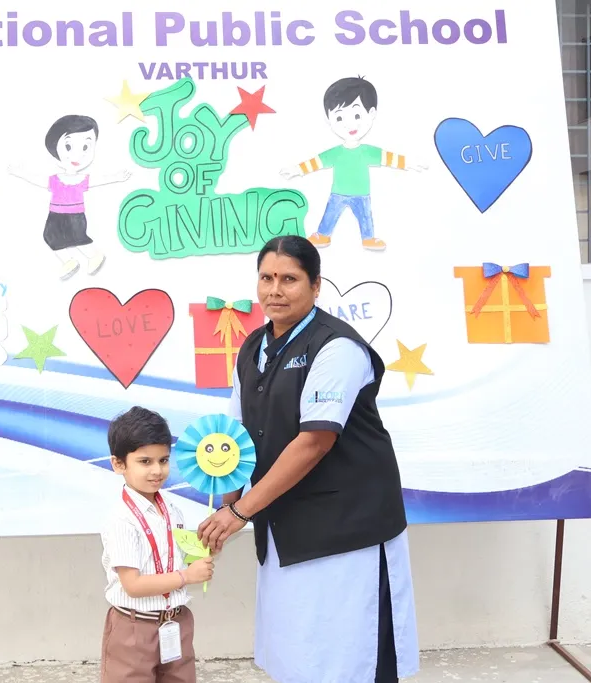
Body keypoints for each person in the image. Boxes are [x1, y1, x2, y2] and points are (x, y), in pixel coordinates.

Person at [196, 235, 419, 683]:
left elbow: (315, 441)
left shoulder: (338, 347)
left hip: (346, 527)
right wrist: (226, 505)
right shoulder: (252, 348)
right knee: (297, 651)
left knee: (348, 654)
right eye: (266, 278)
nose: (275, 290)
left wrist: (239, 512)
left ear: (316, 286)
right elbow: (235, 437)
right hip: (284, 520)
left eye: (289, 279)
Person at [99, 406, 215, 683]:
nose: (157, 470)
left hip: (176, 621)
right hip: (134, 628)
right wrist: (187, 576)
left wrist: (202, 553)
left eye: (163, 460)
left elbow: (172, 559)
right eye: (145, 461)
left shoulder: (172, 510)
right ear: (118, 464)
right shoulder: (122, 519)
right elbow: (133, 585)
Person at [279, 76, 426, 251]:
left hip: (361, 194)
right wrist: (297, 169)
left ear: (371, 114)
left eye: (357, 115)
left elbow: (388, 157)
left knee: (365, 217)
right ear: (328, 119)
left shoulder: (367, 151)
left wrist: (408, 162)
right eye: (339, 118)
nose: (349, 124)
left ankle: (368, 238)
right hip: (338, 193)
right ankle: (323, 234)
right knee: (330, 214)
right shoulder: (336, 153)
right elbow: (316, 162)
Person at [8, 114, 131, 280]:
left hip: (75, 215)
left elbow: (100, 180)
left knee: (78, 238)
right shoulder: (55, 180)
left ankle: (94, 256)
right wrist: (20, 173)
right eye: (68, 146)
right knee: (50, 237)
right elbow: (37, 179)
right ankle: (69, 261)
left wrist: (116, 177)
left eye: (86, 147)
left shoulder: (82, 179)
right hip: (55, 215)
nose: (77, 155)